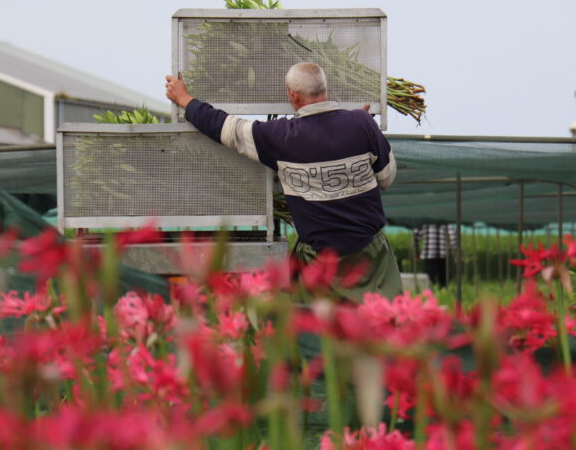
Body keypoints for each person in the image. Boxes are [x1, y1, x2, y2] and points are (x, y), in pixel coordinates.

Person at [165, 62, 402, 303]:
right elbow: (386, 178)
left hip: (320, 267)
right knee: (384, 329)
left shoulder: (280, 136)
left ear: (293, 95)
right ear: (325, 88)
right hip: (372, 261)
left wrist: (185, 100)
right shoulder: (362, 123)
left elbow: (226, 128)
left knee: (321, 336)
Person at [413, 223, 457, 288]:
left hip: (429, 255)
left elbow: (415, 236)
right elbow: (453, 238)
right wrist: (456, 253)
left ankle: (430, 296)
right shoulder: (446, 219)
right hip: (444, 256)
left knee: (430, 282)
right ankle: (443, 296)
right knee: (444, 283)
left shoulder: (425, 220)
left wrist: (416, 252)